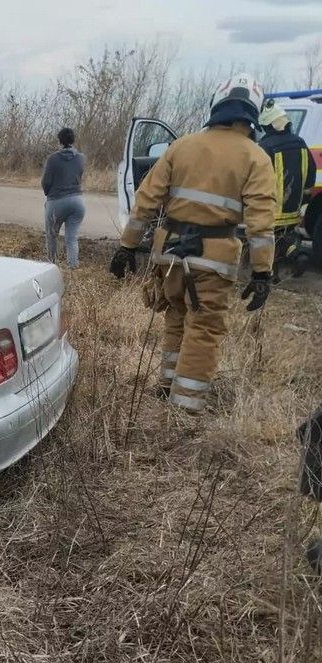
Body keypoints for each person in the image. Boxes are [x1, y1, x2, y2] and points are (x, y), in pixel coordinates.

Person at [109, 73, 277, 413]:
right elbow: (261, 224)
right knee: (204, 328)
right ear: (253, 113)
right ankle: (184, 407)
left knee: (175, 315)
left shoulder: (180, 146)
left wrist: (127, 246)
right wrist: (262, 273)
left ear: (217, 105)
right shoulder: (256, 157)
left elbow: (145, 201)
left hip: (169, 252)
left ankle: (167, 384)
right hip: (214, 259)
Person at [257, 101, 317, 281]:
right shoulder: (300, 143)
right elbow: (311, 173)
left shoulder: (265, 146)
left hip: (272, 209)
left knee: (269, 241)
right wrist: (304, 202)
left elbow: (258, 178)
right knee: (285, 238)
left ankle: (271, 274)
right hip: (294, 209)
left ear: (268, 126)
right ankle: (298, 256)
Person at [41, 128, 86, 268]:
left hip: (57, 202)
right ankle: (73, 266)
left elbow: (46, 182)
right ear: (73, 140)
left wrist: (49, 195)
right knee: (71, 238)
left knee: (51, 235)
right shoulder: (81, 158)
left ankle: (51, 265)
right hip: (77, 202)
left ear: (59, 141)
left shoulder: (53, 159)